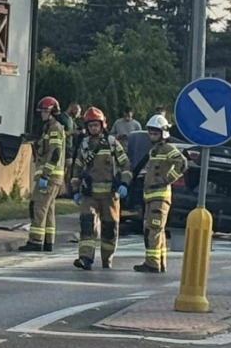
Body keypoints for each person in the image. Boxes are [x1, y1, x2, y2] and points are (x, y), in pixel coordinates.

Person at [68, 106, 130, 270]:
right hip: (90, 195)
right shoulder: (85, 145)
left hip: (110, 196)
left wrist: (124, 183)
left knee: (109, 229)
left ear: (102, 125)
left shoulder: (112, 143)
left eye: (96, 125)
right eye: (90, 126)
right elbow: (77, 168)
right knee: (87, 225)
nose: (93, 128)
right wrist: (75, 191)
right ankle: (85, 258)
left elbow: (125, 164)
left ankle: (107, 259)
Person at [133, 114, 188, 273]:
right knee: (157, 229)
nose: (152, 136)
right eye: (150, 133)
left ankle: (152, 263)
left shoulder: (167, 149)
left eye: (155, 133)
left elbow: (182, 164)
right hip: (151, 197)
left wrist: (167, 179)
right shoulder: (154, 151)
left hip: (160, 197)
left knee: (154, 229)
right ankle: (160, 262)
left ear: (163, 133)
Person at [19, 96, 66, 251]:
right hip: (54, 176)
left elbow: (55, 152)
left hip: (50, 176)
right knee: (49, 208)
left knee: (38, 206)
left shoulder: (54, 128)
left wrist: (46, 174)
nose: (42, 114)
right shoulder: (51, 128)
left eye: (44, 111)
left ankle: (36, 241)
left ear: (52, 112)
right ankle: (48, 241)